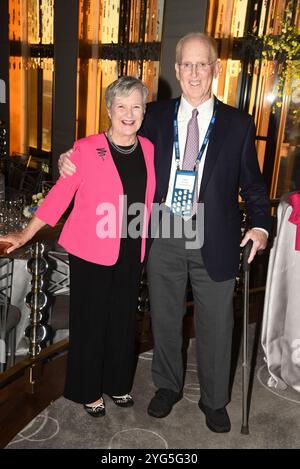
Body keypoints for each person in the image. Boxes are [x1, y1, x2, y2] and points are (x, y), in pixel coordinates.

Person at [58, 33, 271, 432]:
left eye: (201, 64)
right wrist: (69, 157)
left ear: (215, 68)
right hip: (162, 227)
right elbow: (113, 142)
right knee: (167, 315)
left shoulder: (239, 124)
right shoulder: (152, 115)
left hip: (215, 231)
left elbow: (254, 186)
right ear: (176, 69)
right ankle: (168, 386)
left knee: (216, 321)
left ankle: (214, 400)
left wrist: (259, 226)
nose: (193, 72)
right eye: (186, 65)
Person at [0, 76, 156, 417]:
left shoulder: (148, 149)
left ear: (144, 111)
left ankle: (117, 384)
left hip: (131, 247)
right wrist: (26, 234)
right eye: (121, 107)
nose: (129, 114)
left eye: (136, 107)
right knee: (91, 321)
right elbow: (58, 198)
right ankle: (87, 389)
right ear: (109, 110)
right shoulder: (85, 150)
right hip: (92, 251)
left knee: (122, 320)